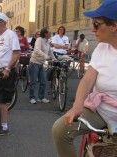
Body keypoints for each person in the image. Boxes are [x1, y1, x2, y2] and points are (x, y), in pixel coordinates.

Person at [52, 1, 117, 156]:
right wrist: (77, 106)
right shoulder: (102, 48)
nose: (92, 29)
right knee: (60, 130)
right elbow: (87, 80)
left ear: (114, 26)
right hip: (100, 110)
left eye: (96, 24)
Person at [0, 12, 21, 135]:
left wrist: (7, 68)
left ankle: (4, 127)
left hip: (6, 72)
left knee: (3, 101)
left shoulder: (11, 35)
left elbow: (17, 53)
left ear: (3, 23)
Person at [29, 28, 55, 104]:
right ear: (46, 34)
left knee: (43, 81)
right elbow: (37, 50)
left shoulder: (47, 41)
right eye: (49, 33)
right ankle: (32, 98)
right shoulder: (39, 39)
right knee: (33, 81)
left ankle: (41, 97)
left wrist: (54, 59)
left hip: (41, 63)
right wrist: (46, 56)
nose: (50, 34)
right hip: (34, 63)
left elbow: (50, 51)